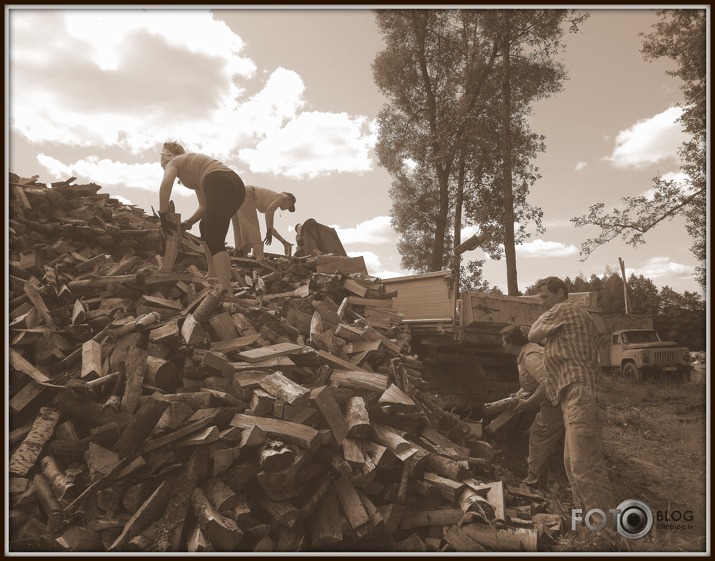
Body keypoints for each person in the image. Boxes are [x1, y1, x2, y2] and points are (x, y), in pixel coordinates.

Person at [526, 276, 615, 528]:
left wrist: (543, 323)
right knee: (573, 463)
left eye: (545, 297)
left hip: (579, 394)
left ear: (561, 293)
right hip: (577, 395)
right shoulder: (576, 316)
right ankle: (587, 526)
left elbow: (532, 334)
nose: (542, 303)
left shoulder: (563, 309)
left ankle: (605, 533)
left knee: (585, 466)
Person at [157, 141, 245, 292]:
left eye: (162, 157)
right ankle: (213, 275)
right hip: (236, 186)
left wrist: (163, 215)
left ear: (167, 157)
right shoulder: (193, 167)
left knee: (215, 239)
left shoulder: (174, 161)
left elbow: (166, 184)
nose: (162, 161)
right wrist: (188, 222)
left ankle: (226, 290)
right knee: (204, 226)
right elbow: (204, 206)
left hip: (219, 182)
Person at [500, 324, 564, 491]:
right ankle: (545, 482)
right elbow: (531, 384)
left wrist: (528, 403)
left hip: (556, 402)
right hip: (553, 400)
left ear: (512, 342)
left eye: (504, 341)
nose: (502, 345)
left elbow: (547, 382)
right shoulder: (525, 354)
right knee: (548, 440)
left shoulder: (531, 357)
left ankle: (533, 484)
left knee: (538, 435)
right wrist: (517, 396)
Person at [231, 186, 296, 259]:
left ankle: (239, 250)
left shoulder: (273, 199)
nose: (287, 209)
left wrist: (284, 242)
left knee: (238, 224)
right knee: (252, 225)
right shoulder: (280, 197)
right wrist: (269, 232)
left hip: (238, 194)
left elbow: (270, 228)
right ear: (288, 200)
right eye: (289, 206)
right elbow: (269, 212)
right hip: (247, 193)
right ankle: (260, 256)